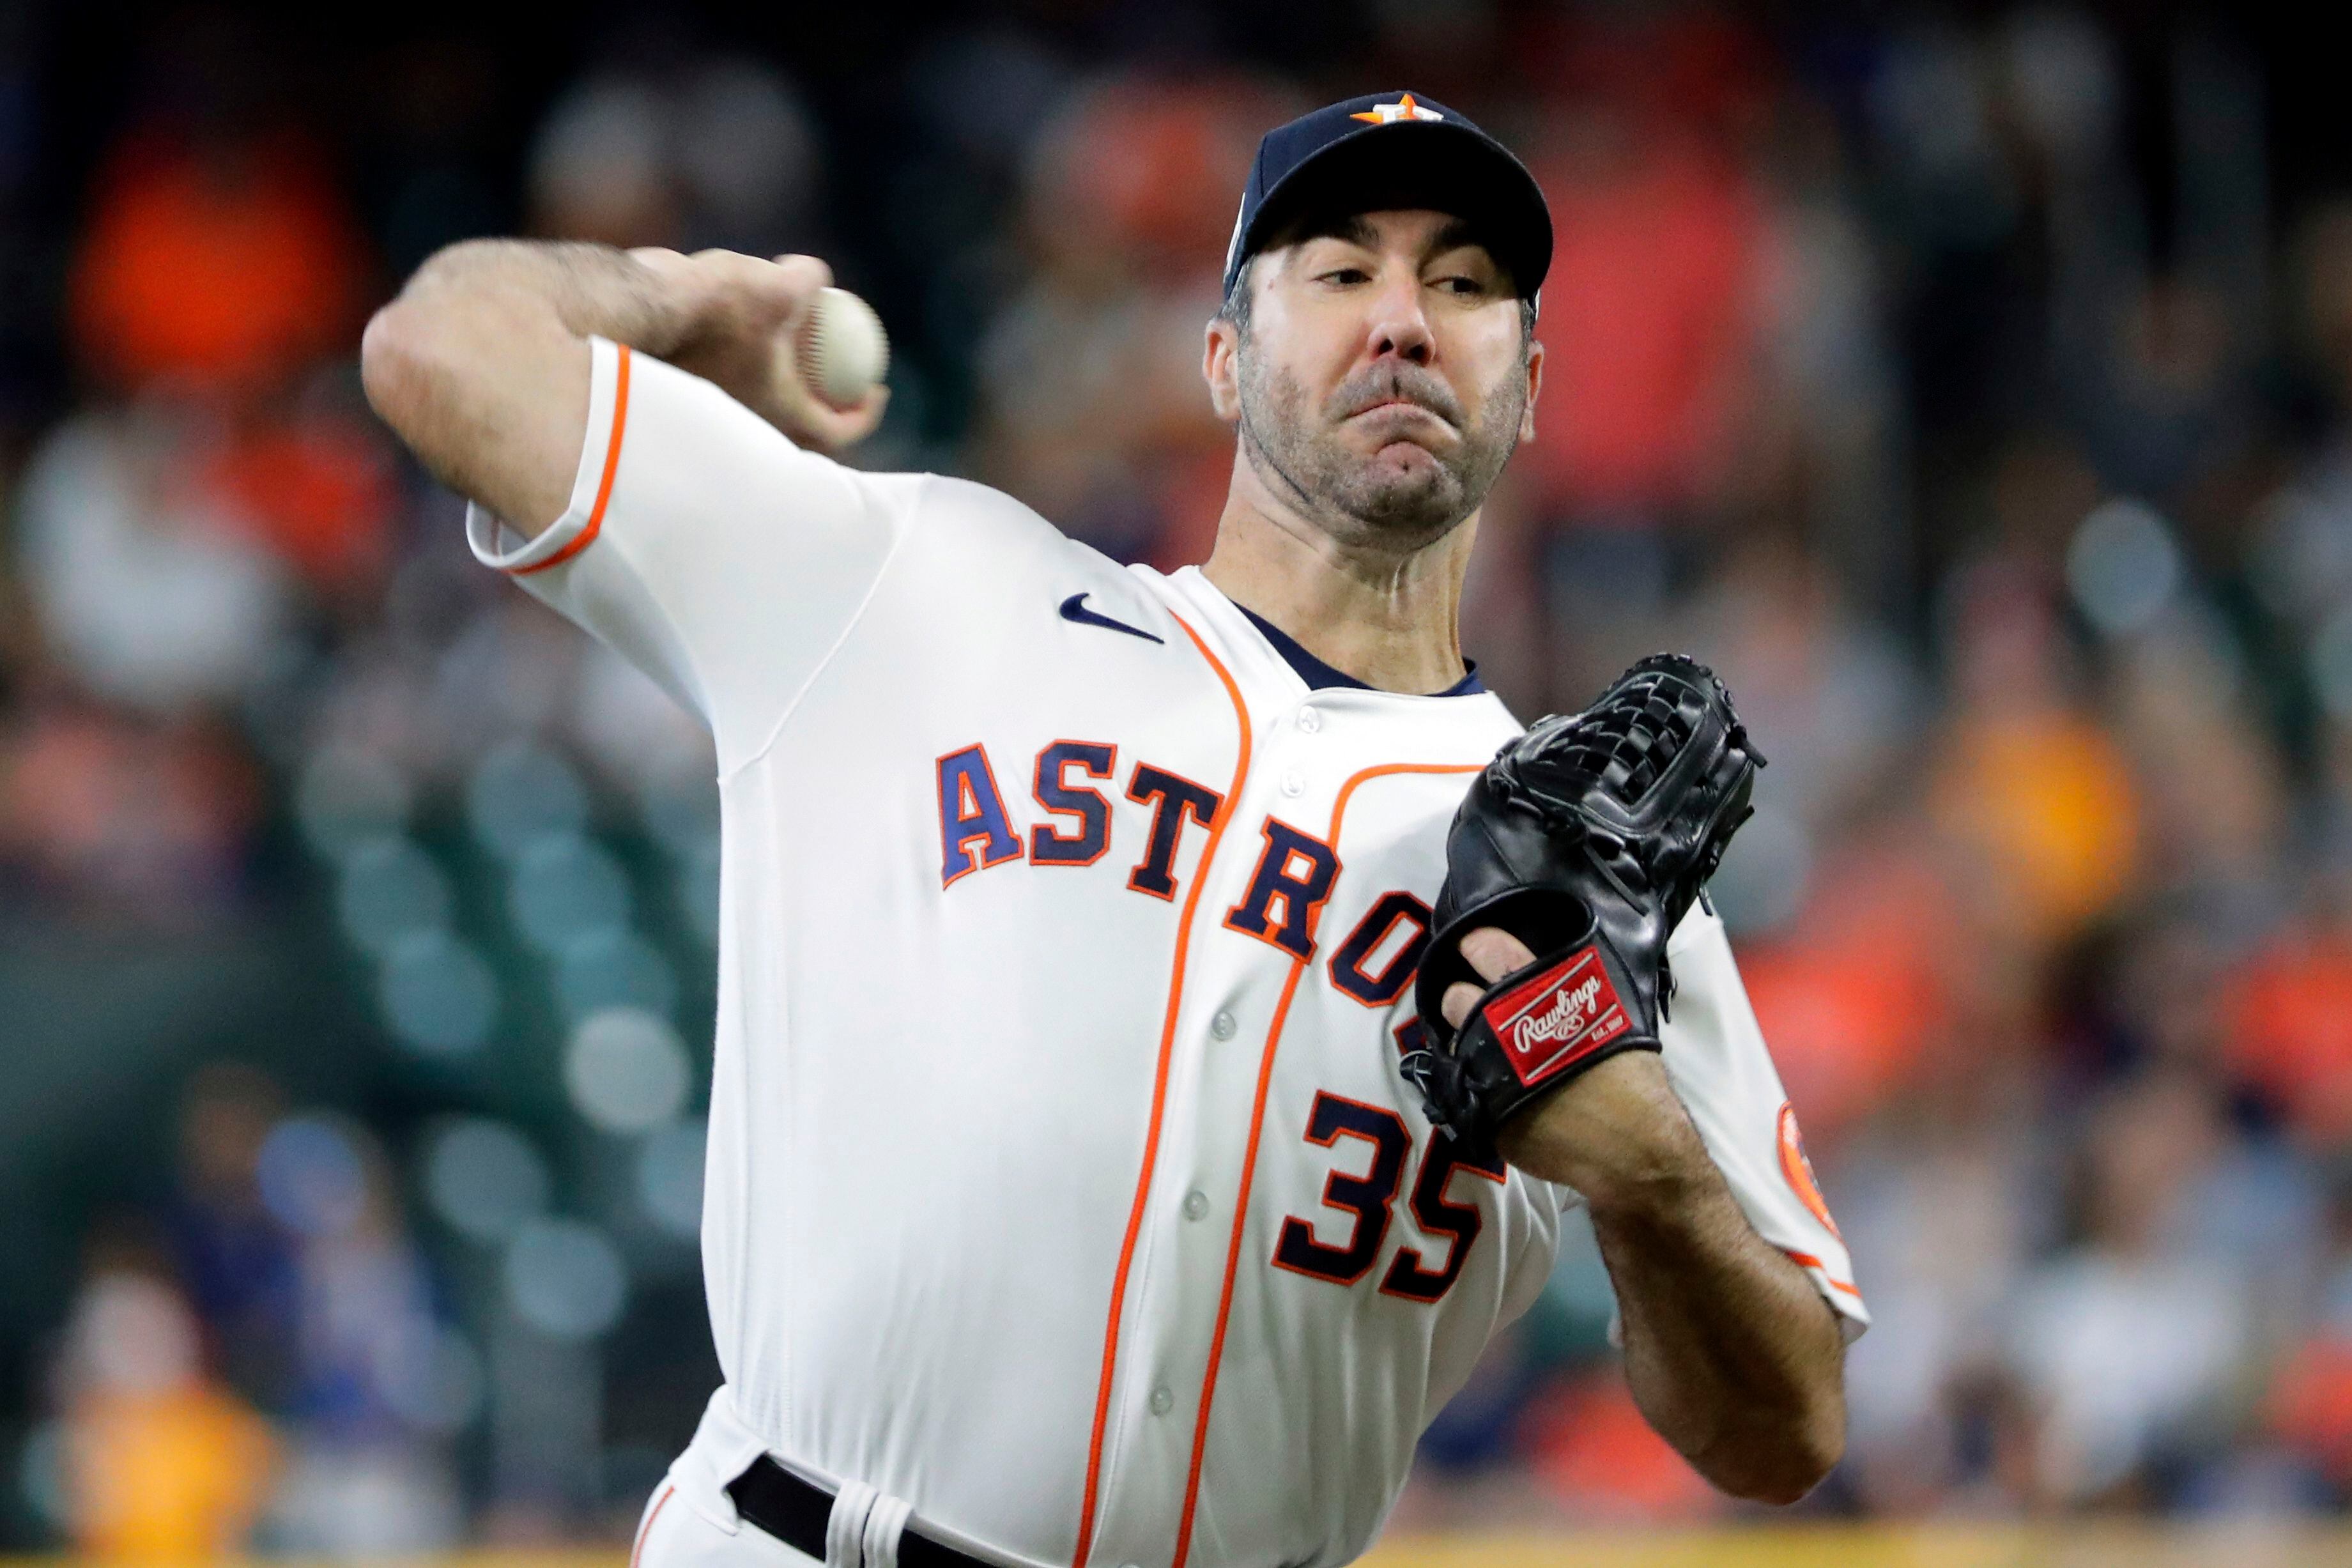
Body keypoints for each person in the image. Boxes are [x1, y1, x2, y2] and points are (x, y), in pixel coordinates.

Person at [362, 89, 1862, 1568]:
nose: (1400, 321)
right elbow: (437, 348)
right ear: (1221, 359)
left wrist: (1651, 1180)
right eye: (1339, 272)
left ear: (1531, 387)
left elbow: (1780, 1434)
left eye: (1462, 285)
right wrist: (675, 299)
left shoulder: (1590, 886)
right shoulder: (918, 585)